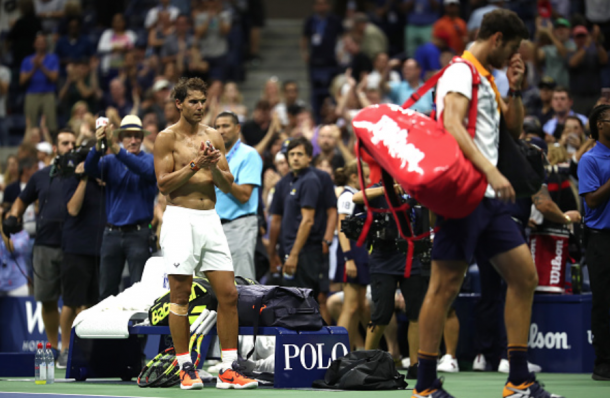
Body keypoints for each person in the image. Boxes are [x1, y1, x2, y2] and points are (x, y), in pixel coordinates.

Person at [411, 9, 564, 398]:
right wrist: (491, 173)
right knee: (443, 287)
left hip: (491, 201)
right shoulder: (460, 72)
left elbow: (512, 129)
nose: (513, 55)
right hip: (463, 195)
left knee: (523, 277)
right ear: (496, 39)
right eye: (511, 48)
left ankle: (517, 380)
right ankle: (426, 385)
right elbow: (452, 126)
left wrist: (512, 85)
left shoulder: (486, 77)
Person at [153, 77, 258, 390]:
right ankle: (186, 367)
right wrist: (196, 163)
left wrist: (212, 167)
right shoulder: (165, 138)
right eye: (194, 102)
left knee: (229, 293)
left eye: (203, 102)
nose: (200, 107)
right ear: (179, 104)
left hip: (211, 218)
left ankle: (228, 368)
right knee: (180, 296)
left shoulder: (214, 135)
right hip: (179, 219)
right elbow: (164, 184)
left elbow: (226, 184)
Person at [4, 128, 76, 368]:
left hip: (72, 245)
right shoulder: (41, 176)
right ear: (55, 148)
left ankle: (67, 349)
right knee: (46, 299)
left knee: (70, 301)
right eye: (65, 143)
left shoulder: (80, 175)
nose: (70, 147)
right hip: (45, 245)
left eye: (73, 143)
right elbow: (22, 199)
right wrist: (14, 216)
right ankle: (54, 347)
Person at [353, 182, 430, 380]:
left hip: (412, 257)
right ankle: (367, 362)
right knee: (381, 314)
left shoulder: (416, 187)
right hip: (382, 260)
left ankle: (415, 364)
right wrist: (388, 189)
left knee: (415, 313)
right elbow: (356, 197)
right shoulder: (379, 188)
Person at [84, 115, 157, 300]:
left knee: (140, 291)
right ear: (121, 138)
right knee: (106, 291)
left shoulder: (150, 160)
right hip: (112, 233)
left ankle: (140, 329)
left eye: (136, 136)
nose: (133, 140)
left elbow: (146, 171)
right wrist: (98, 146)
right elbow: (89, 168)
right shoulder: (110, 161)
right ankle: (109, 329)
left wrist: (115, 149)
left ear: (142, 138)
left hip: (139, 234)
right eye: (128, 136)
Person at [60, 141, 105, 368]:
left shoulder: (105, 182)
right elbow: (73, 209)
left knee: (91, 304)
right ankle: (64, 348)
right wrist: (84, 179)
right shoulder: (74, 180)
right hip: (76, 249)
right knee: (71, 302)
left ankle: (86, 352)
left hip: (99, 251)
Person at [578, 104, 610, 381]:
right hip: (602, 240)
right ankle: (604, 363)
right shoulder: (590, 160)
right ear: (600, 123)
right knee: (603, 302)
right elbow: (592, 200)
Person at [214, 111, 263, 280]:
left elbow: (244, 195)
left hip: (240, 224)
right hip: (215, 226)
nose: (221, 130)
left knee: (242, 281)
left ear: (237, 128)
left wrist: (218, 174)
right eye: (217, 127)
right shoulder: (215, 157)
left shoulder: (249, 154)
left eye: (226, 126)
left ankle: (248, 308)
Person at [333, 160, 370, 351]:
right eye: (366, 177)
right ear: (354, 177)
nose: (370, 180)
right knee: (350, 307)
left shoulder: (358, 196)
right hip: (351, 255)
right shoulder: (347, 197)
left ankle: (353, 350)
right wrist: (348, 258)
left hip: (361, 255)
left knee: (360, 307)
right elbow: (342, 228)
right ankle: (336, 352)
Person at [20, 33, 59, 135]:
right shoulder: (27, 60)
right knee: (30, 124)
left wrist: (41, 66)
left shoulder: (53, 58)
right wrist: (34, 68)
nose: (40, 45)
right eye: (38, 42)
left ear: (46, 44)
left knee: (51, 124)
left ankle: (53, 145)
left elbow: (54, 78)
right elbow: (22, 80)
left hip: (48, 93)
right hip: (32, 93)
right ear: (34, 44)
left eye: (42, 42)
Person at [0, 207, 30, 297]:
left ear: (19, 218)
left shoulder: (23, 235)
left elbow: (11, 248)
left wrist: (1, 226)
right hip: (2, 285)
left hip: (18, 285)